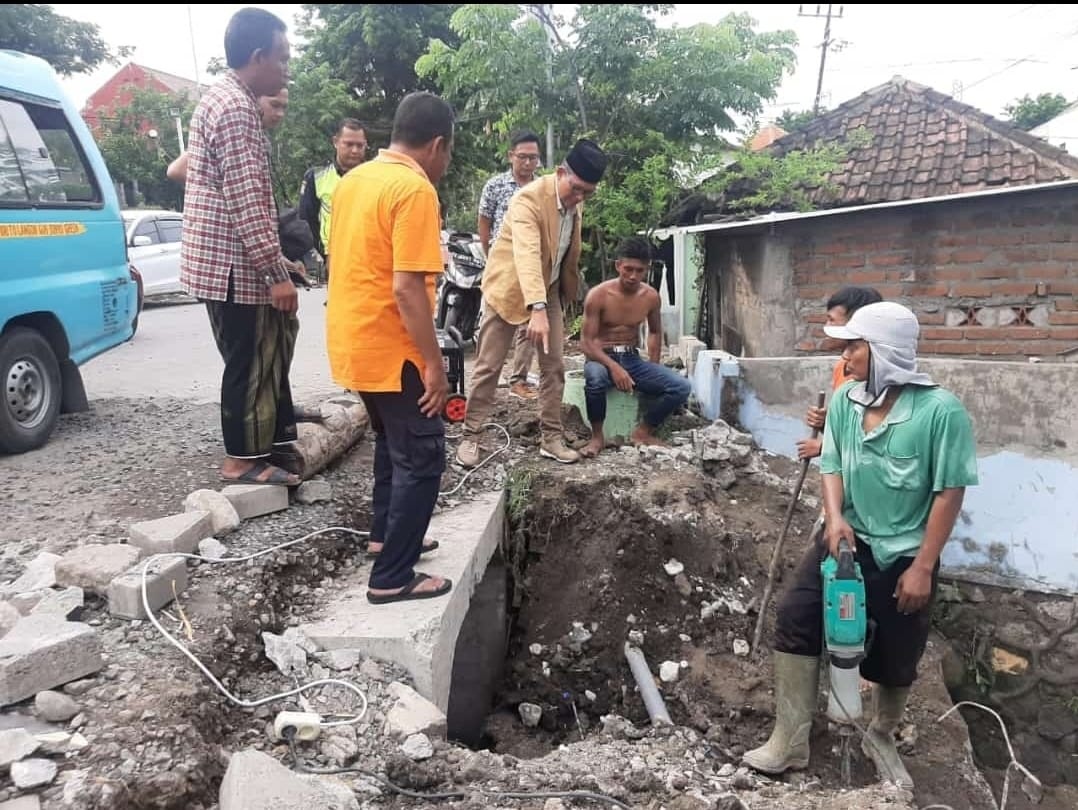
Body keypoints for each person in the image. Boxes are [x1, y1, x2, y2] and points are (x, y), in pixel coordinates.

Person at [742, 301, 979, 791]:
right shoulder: (847, 400)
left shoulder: (941, 412)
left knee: (898, 649)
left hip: (906, 553)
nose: (844, 356)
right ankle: (790, 739)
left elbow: (949, 492)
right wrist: (835, 519)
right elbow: (831, 463)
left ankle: (881, 735)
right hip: (847, 540)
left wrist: (923, 566)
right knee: (796, 616)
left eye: (854, 346)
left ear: (885, 351)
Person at [325, 91, 455, 605]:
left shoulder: (355, 181)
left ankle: (385, 537)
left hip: (354, 342)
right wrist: (433, 364)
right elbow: (407, 289)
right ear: (438, 145)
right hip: (393, 347)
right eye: (448, 153)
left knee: (391, 445)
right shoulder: (413, 189)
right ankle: (392, 576)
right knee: (423, 456)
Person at [179, 7, 301, 486]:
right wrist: (276, 274)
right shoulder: (236, 110)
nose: (286, 68)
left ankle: (269, 444)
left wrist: (279, 261)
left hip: (225, 260)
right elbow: (247, 200)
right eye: (282, 57)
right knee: (248, 362)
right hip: (233, 265)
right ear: (257, 56)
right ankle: (242, 461)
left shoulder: (223, 98)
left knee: (255, 355)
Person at [456, 139, 608, 468]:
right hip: (509, 289)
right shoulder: (528, 199)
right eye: (577, 189)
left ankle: (551, 438)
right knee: (489, 366)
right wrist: (536, 309)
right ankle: (471, 435)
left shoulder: (575, 200)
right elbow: (526, 253)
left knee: (554, 367)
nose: (580, 198)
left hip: (548, 288)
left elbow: (563, 253)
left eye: (587, 193)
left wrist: (553, 299)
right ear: (560, 172)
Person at [578, 236, 691, 457]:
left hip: (632, 359)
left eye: (639, 270)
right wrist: (614, 368)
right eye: (628, 269)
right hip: (600, 357)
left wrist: (654, 366)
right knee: (595, 379)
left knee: (681, 387)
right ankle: (597, 437)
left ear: (646, 269)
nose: (633, 276)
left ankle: (642, 432)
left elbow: (655, 332)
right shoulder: (598, 295)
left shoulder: (650, 297)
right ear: (618, 265)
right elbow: (586, 342)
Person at [477, 130, 544, 400]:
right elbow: (484, 223)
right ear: (510, 156)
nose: (528, 163)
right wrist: (490, 255)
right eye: (523, 157)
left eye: (533, 158)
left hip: (531, 267)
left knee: (529, 326)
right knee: (493, 327)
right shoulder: (495, 186)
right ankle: (484, 384)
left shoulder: (542, 189)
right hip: (503, 267)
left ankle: (519, 379)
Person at [797, 286, 883, 460]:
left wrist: (824, 447)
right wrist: (827, 422)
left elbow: (875, 439)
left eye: (832, 320)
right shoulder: (841, 367)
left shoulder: (879, 379)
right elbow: (847, 426)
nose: (826, 327)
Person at [166, 89, 289, 184]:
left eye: (284, 107)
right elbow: (176, 170)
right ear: (254, 100)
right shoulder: (233, 127)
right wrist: (222, 193)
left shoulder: (258, 135)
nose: (280, 114)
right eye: (274, 105)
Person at [298, 118, 369, 273]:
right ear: (335, 142)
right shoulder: (316, 177)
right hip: (329, 260)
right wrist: (317, 260)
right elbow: (305, 221)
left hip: (366, 259)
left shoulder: (376, 177)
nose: (355, 150)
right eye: (349, 144)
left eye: (360, 145)